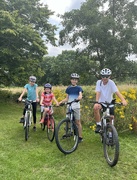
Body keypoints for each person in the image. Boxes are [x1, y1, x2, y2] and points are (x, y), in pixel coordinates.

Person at [94, 68, 127, 133]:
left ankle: (111, 133)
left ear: (109, 76)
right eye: (103, 76)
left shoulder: (111, 83)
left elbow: (117, 92)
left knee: (111, 118)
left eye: (106, 76)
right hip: (101, 102)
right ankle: (99, 124)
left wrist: (123, 100)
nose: (104, 78)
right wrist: (97, 102)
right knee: (95, 108)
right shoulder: (99, 82)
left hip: (109, 103)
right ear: (101, 76)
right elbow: (98, 92)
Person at [59, 73, 83, 143]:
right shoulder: (68, 88)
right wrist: (61, 102)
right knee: (67, 121)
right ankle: (67, 133)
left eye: (75, 80)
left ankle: (80, 137)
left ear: (77, 81)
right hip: (69, 106)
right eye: (73, 79)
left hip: (76, 106)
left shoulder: (79, 88)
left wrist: (79, 98)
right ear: (71, 80)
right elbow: (67, 98)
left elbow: (80, 95)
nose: (74, 81)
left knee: (78, 122)